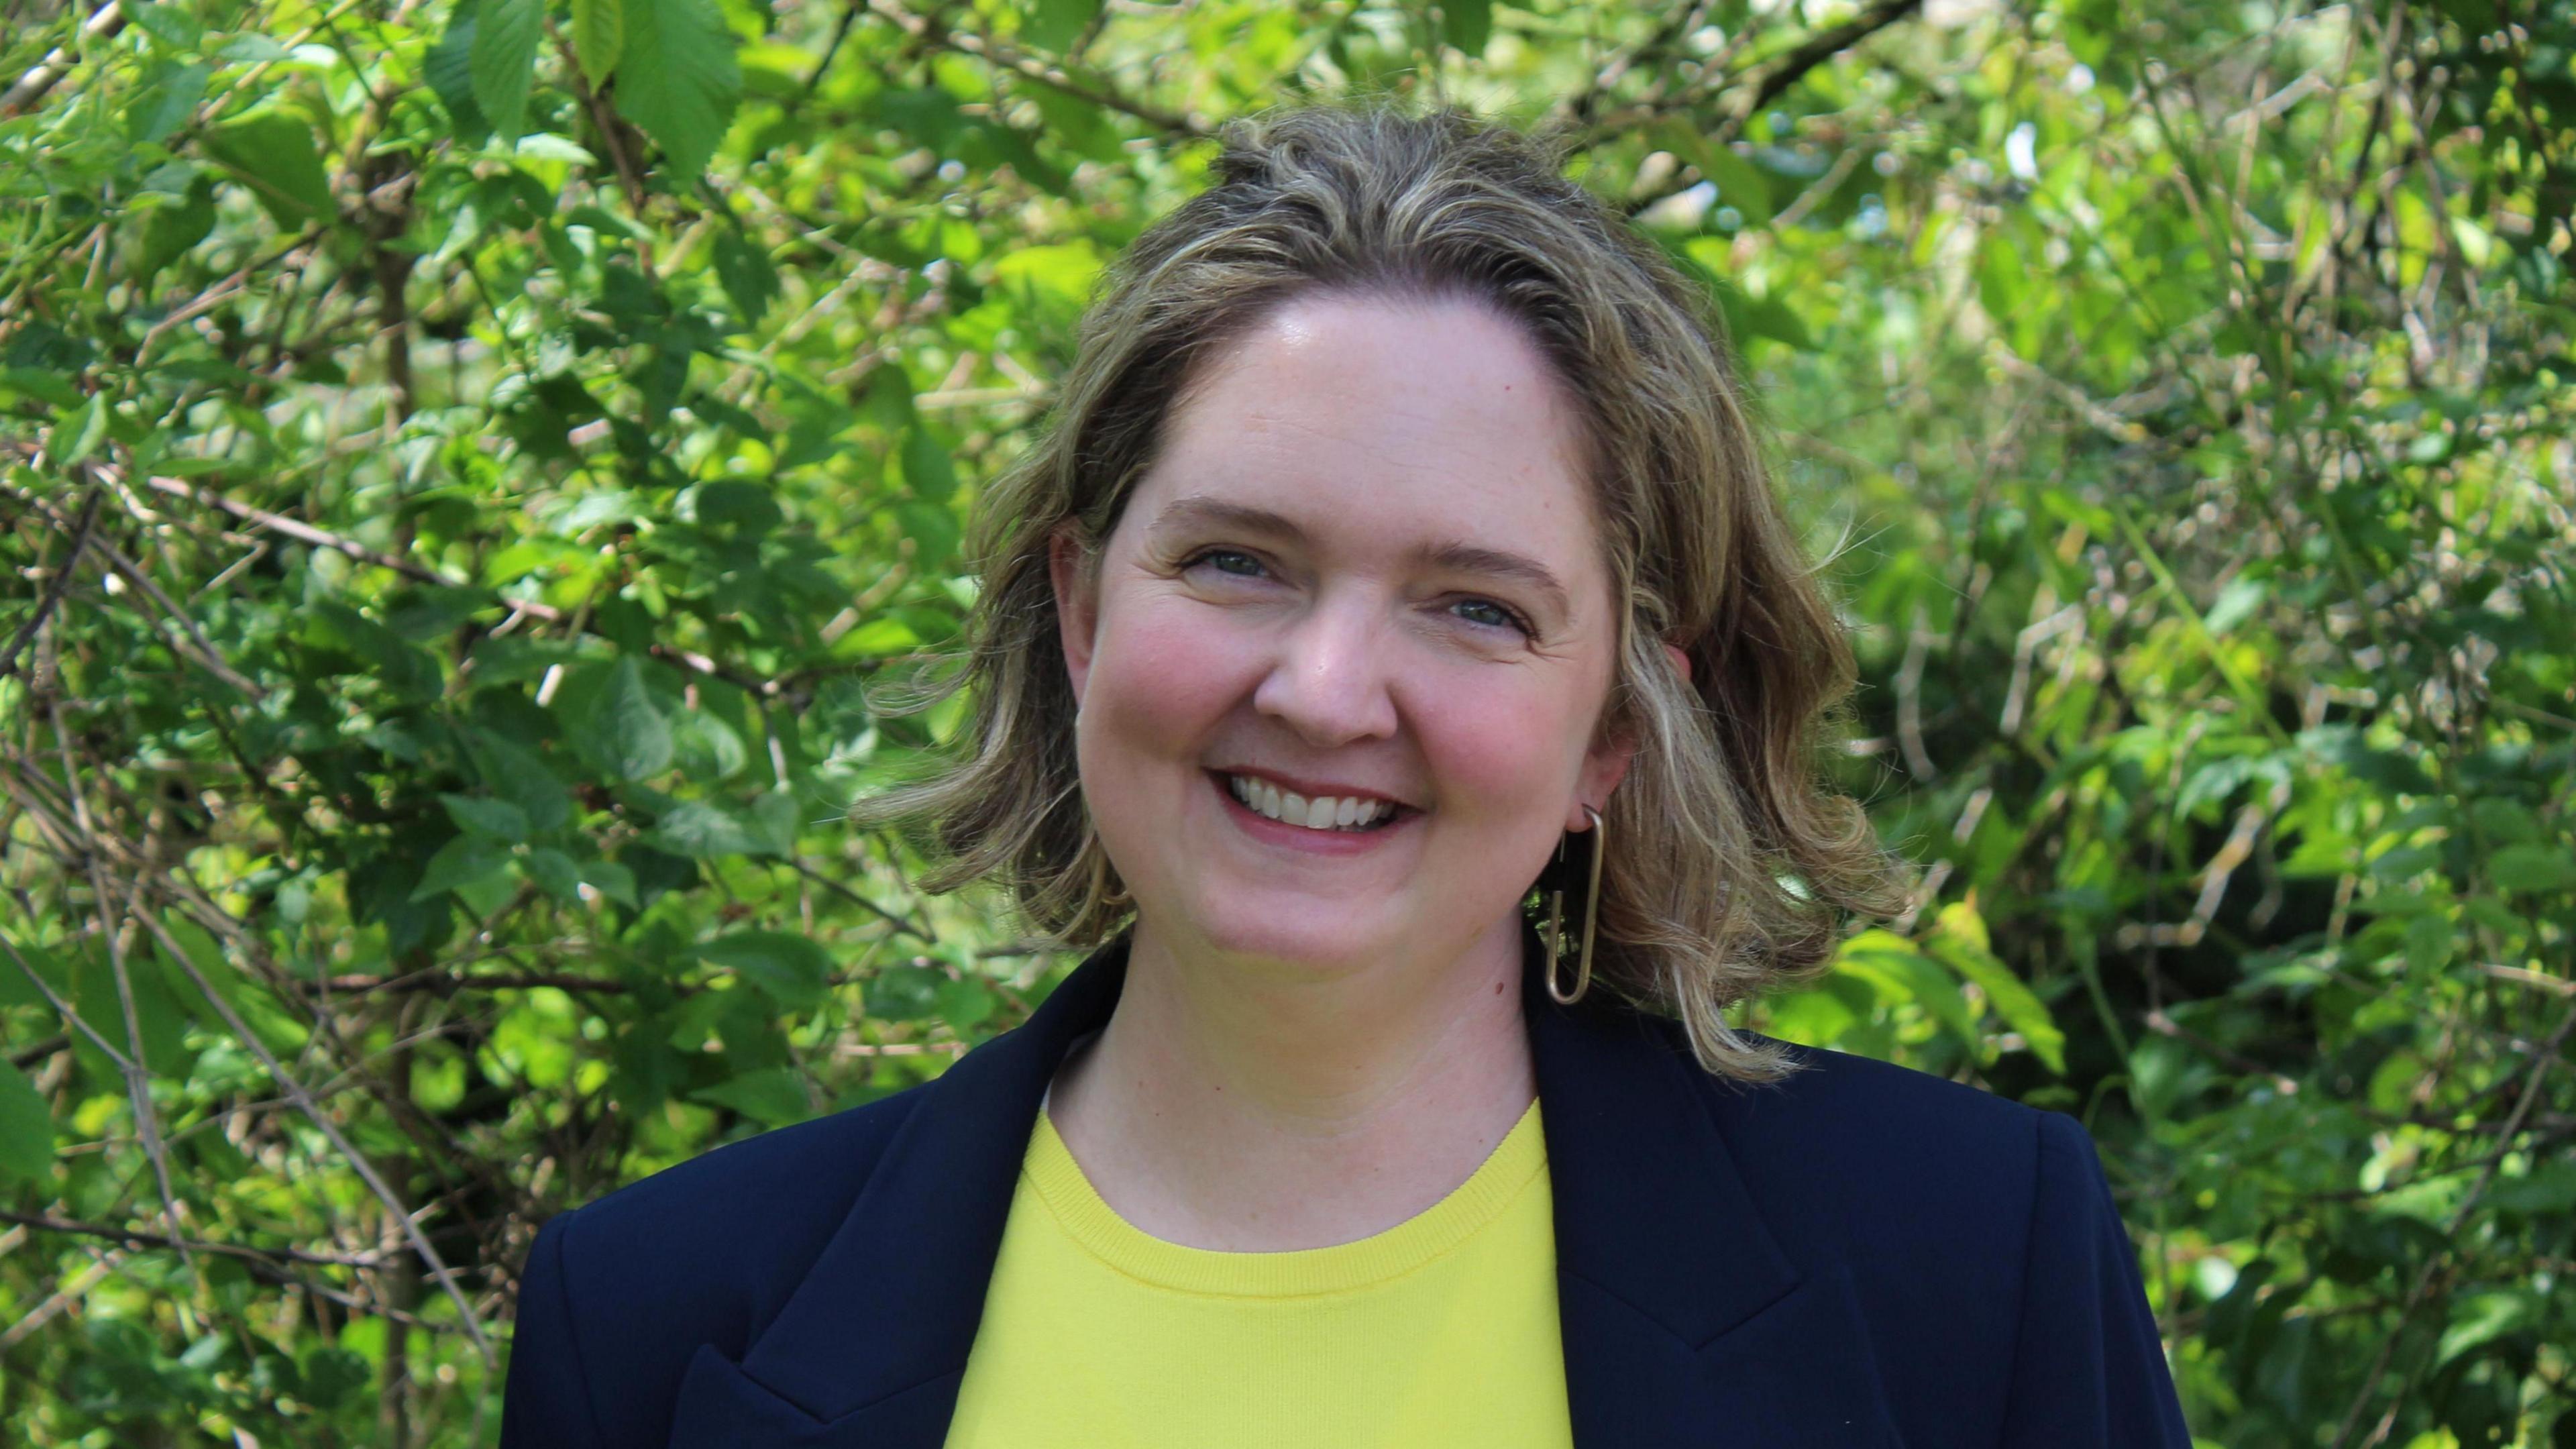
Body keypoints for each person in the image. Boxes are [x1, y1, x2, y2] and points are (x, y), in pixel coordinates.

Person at [498, 102, 2192, 1448]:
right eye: (1238, 561)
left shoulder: (1968, 1266)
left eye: (1475, 606)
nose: (1322, 693)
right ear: (1083, 612)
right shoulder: (657, 1320)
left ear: (1616, 727)